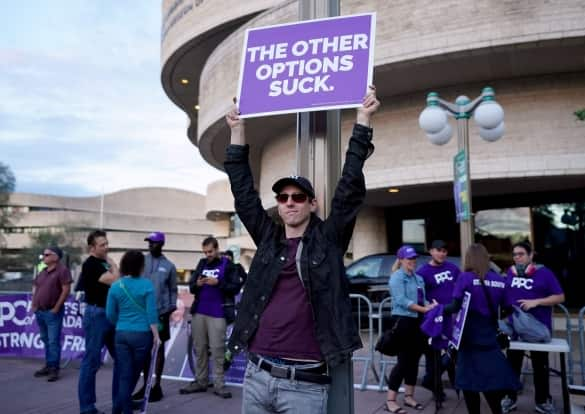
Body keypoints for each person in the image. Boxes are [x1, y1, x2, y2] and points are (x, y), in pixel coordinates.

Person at [223, 87, 379, 414]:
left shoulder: (328, 239)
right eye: (283, 198)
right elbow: (243, 195)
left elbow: (349, 188)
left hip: (305, 385)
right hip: (257, 376)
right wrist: (237, 132)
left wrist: (362, 123)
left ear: (312, 203)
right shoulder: (269, 238)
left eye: (297, 197)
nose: (290, 202)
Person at [442, 243, 519, 414]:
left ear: (469, 259)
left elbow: (454, 307)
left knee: (470, 385)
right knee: (490, 384)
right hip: (490, 338)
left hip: (468, 338)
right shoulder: (500, 280)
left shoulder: (465, 278)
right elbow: (509, 308)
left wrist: (438, 309)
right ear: (486, 259)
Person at [501, 241, 565, 414]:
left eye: (521, 254)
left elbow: (560, 297)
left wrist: (536, 302)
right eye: (514, 255)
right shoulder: (510, 273)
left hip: (537, 330)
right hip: (514, 330)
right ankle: (510, 399)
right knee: (512, 365)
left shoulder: (544, 273)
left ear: (531, 255)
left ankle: (542, 401)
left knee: (540, 366)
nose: (517, 258)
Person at [106, 250, 161, 414]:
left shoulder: (116, 286)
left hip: (121, 333)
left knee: (124, 375)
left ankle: (118, 409)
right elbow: (152, 314)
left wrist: (121, 324)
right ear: (140, 266)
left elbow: (110, 314)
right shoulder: (146, 285)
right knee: (134, 375)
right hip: (142, 336)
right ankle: (124, 409)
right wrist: (156, 336)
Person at [385, 245, 438, 413]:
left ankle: (409, 396)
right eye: (409, 259)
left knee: (414, 360)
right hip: (403, 322)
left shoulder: (418, 278)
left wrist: (431, 304)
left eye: (414, 258)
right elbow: (401, 300)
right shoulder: (396, 278)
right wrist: (424, 309)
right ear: (400, 260)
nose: (412, 261)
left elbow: (423, 299)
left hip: (418, 322)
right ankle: (390, 400)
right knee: (403, 362)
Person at [179, 236, 233, 398]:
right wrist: (198, 284)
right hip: (200, 312)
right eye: (205, 252)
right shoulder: (202, 263)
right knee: (200, 348)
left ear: (217, 249)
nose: (208, 254)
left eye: (210, 251)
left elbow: (234, 287)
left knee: (217, 350)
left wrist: (218, 283)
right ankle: (201, 381)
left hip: (218, 312)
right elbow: (192, 287)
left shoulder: (227, 264)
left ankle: (219, 384)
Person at [132, 232, 177, 403]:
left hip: (161, 314)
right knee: (144, 349)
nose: (150, 245)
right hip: (142, 313)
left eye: (153, 243)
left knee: (158, 350)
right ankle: (146, 384)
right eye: (149, 242)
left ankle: (156, 386)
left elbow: (173, 290)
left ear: (161, 244)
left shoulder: (169, 266)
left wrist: (170, 308)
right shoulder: (141, 261)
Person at [78, 230, 119, 414]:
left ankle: (120, 401)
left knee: (122, 359)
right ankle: (87, 408)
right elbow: (115, 281)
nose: (106, 247)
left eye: (107, 243)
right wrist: (114, 265)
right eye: (102, 245)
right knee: (91, 362)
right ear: (92, 248)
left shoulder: (102, 263)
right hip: (96, 315)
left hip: (110, 315)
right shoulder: (91, 264)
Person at [417, 239, 461, 399]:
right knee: (433, 353)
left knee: (452, 351)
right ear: (431, 251)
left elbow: (461, 286)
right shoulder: (423, 272)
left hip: (452, 317)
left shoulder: (453, 268)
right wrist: (429, 305)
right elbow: (419, 296)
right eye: (438, 250)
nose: (442, 253)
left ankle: (434, 380)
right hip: (434, 318)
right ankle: (436, 388)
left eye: (444, 251)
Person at [31, 245, 72, 382]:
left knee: (53, 341)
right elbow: (36, 288)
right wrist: (34, 304)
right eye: (44, 254)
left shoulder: (62, 270)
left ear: (56, 257)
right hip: (40, 311)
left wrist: (56, 307)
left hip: (52, 311)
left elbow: (66, 290)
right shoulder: (42, 271)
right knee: (45, 339)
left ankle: (54, 368)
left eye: (47, 254)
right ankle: (48, 365)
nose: (44, 256)